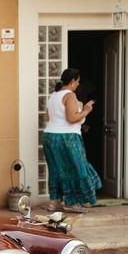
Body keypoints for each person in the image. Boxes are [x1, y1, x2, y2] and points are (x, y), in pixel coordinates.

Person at [43, 68, 102, 214]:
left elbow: (47, 117)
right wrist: (86, 110)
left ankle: (54, 202)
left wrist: (78, 110)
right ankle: (72, 203)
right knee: (77, 168)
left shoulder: (54, 95)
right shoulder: (70, 96)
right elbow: (71, 118)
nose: (78, 84)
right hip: (67, 137)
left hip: (49, 136)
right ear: (73, 80)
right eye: (78, 81)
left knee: (56, 169)